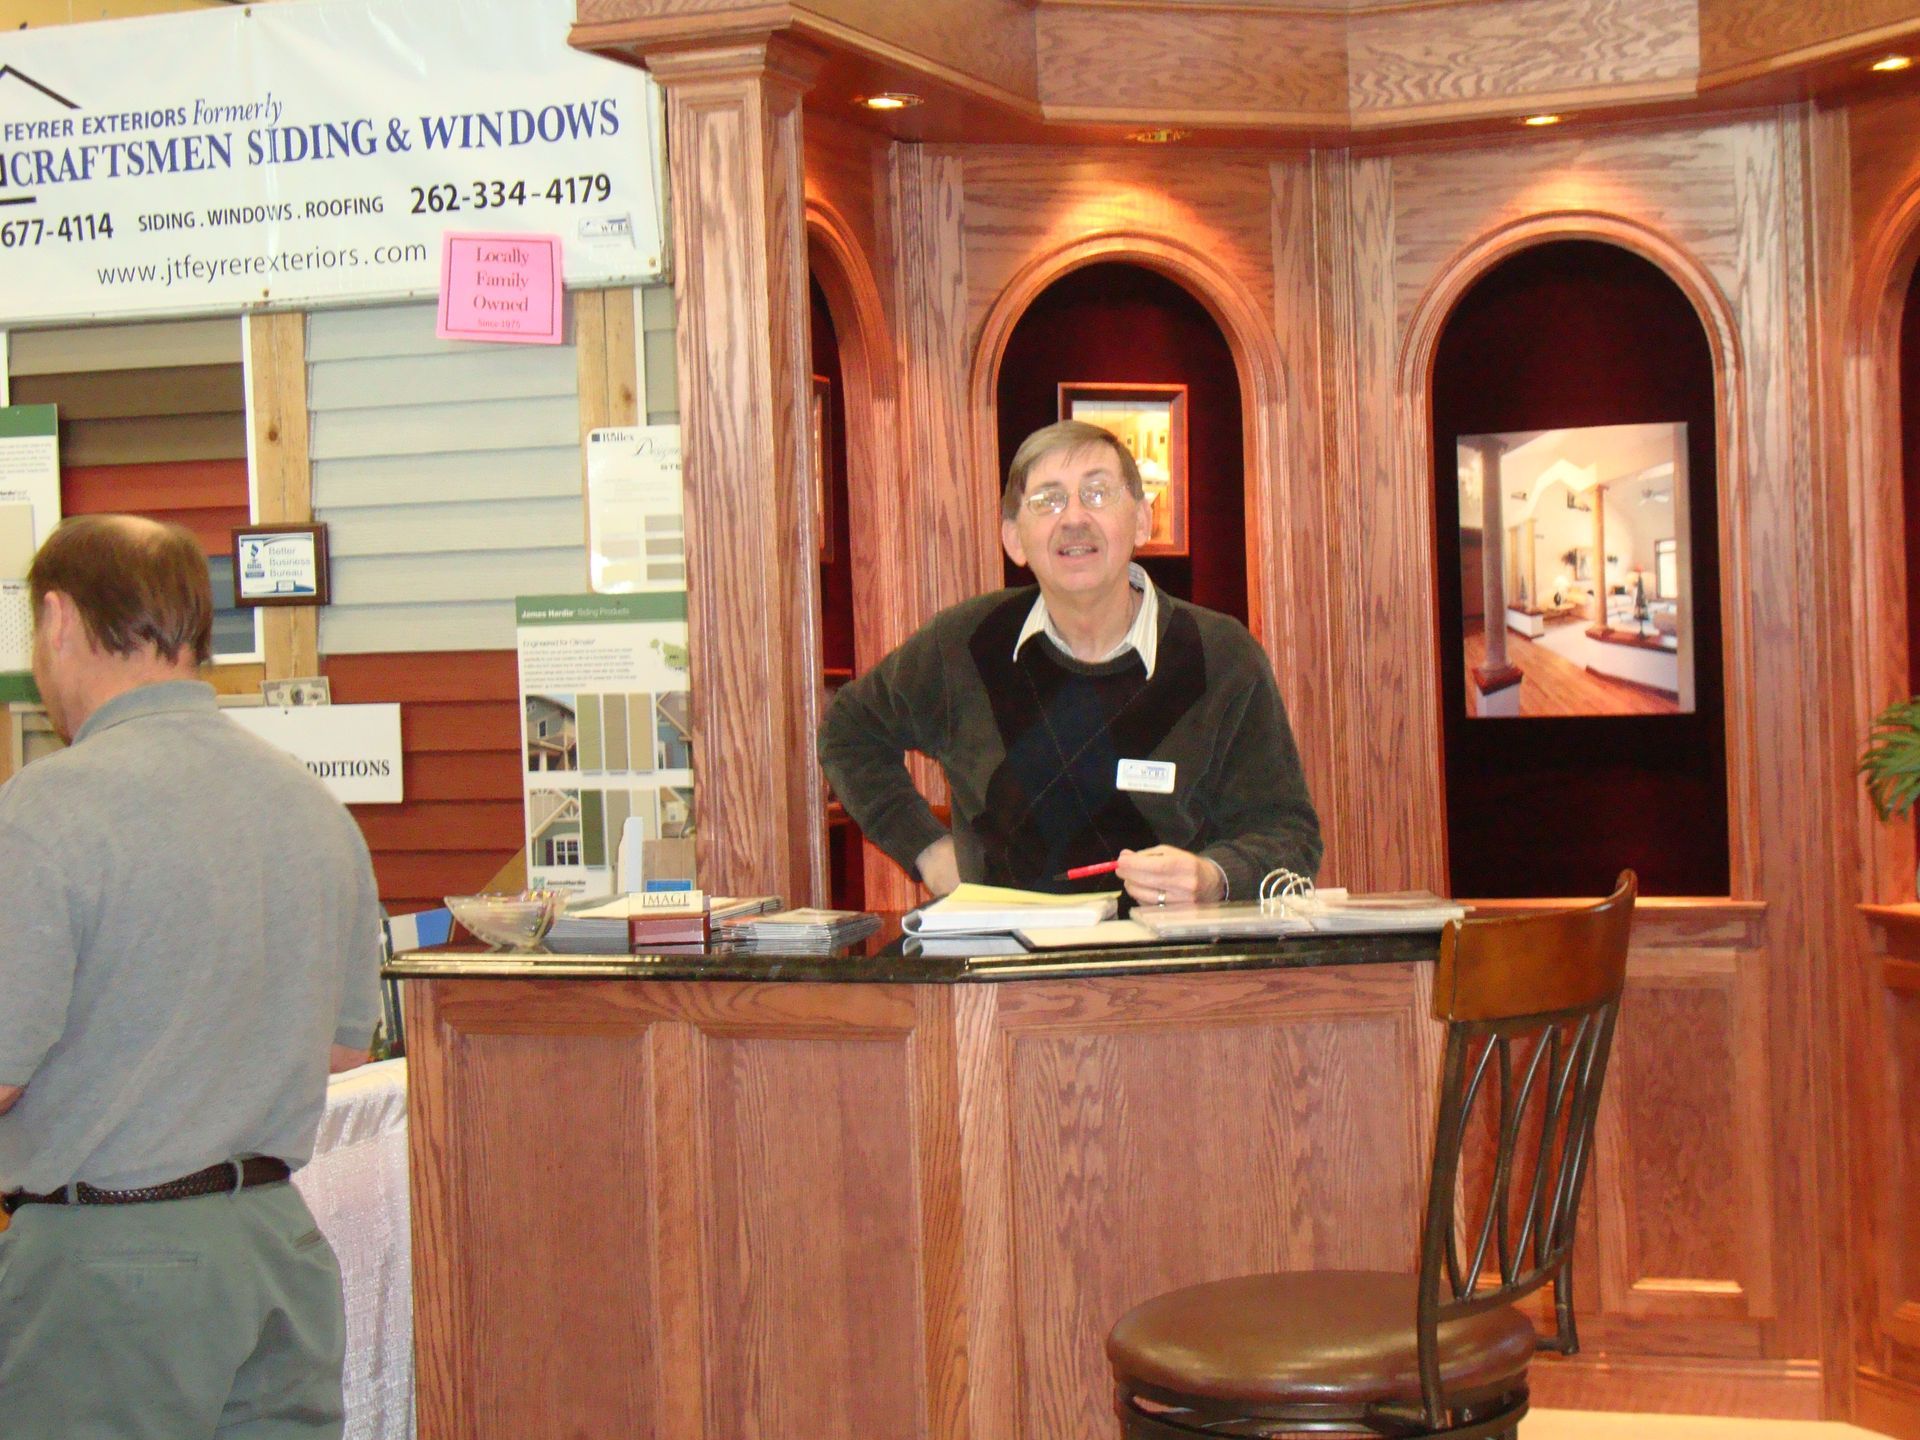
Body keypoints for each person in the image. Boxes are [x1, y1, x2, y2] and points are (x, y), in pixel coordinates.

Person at [0, 515, 383, 1439]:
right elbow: (338, 1053)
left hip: (108, 1274)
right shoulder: (313, 808)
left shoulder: (47, 810)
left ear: (57, 619)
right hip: (278, 1255)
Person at [819, 420, 1321, 906]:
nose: (1074, 517)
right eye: (1048, 500)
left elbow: (1289, 834)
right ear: (1014, 539)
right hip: (1002, 973)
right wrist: (927, 851)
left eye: (1098, 493)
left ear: (1142, 520)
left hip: (1169, 976)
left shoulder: (1220, 655)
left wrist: (1214, 877)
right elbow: (847, 730)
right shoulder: (966, 644)